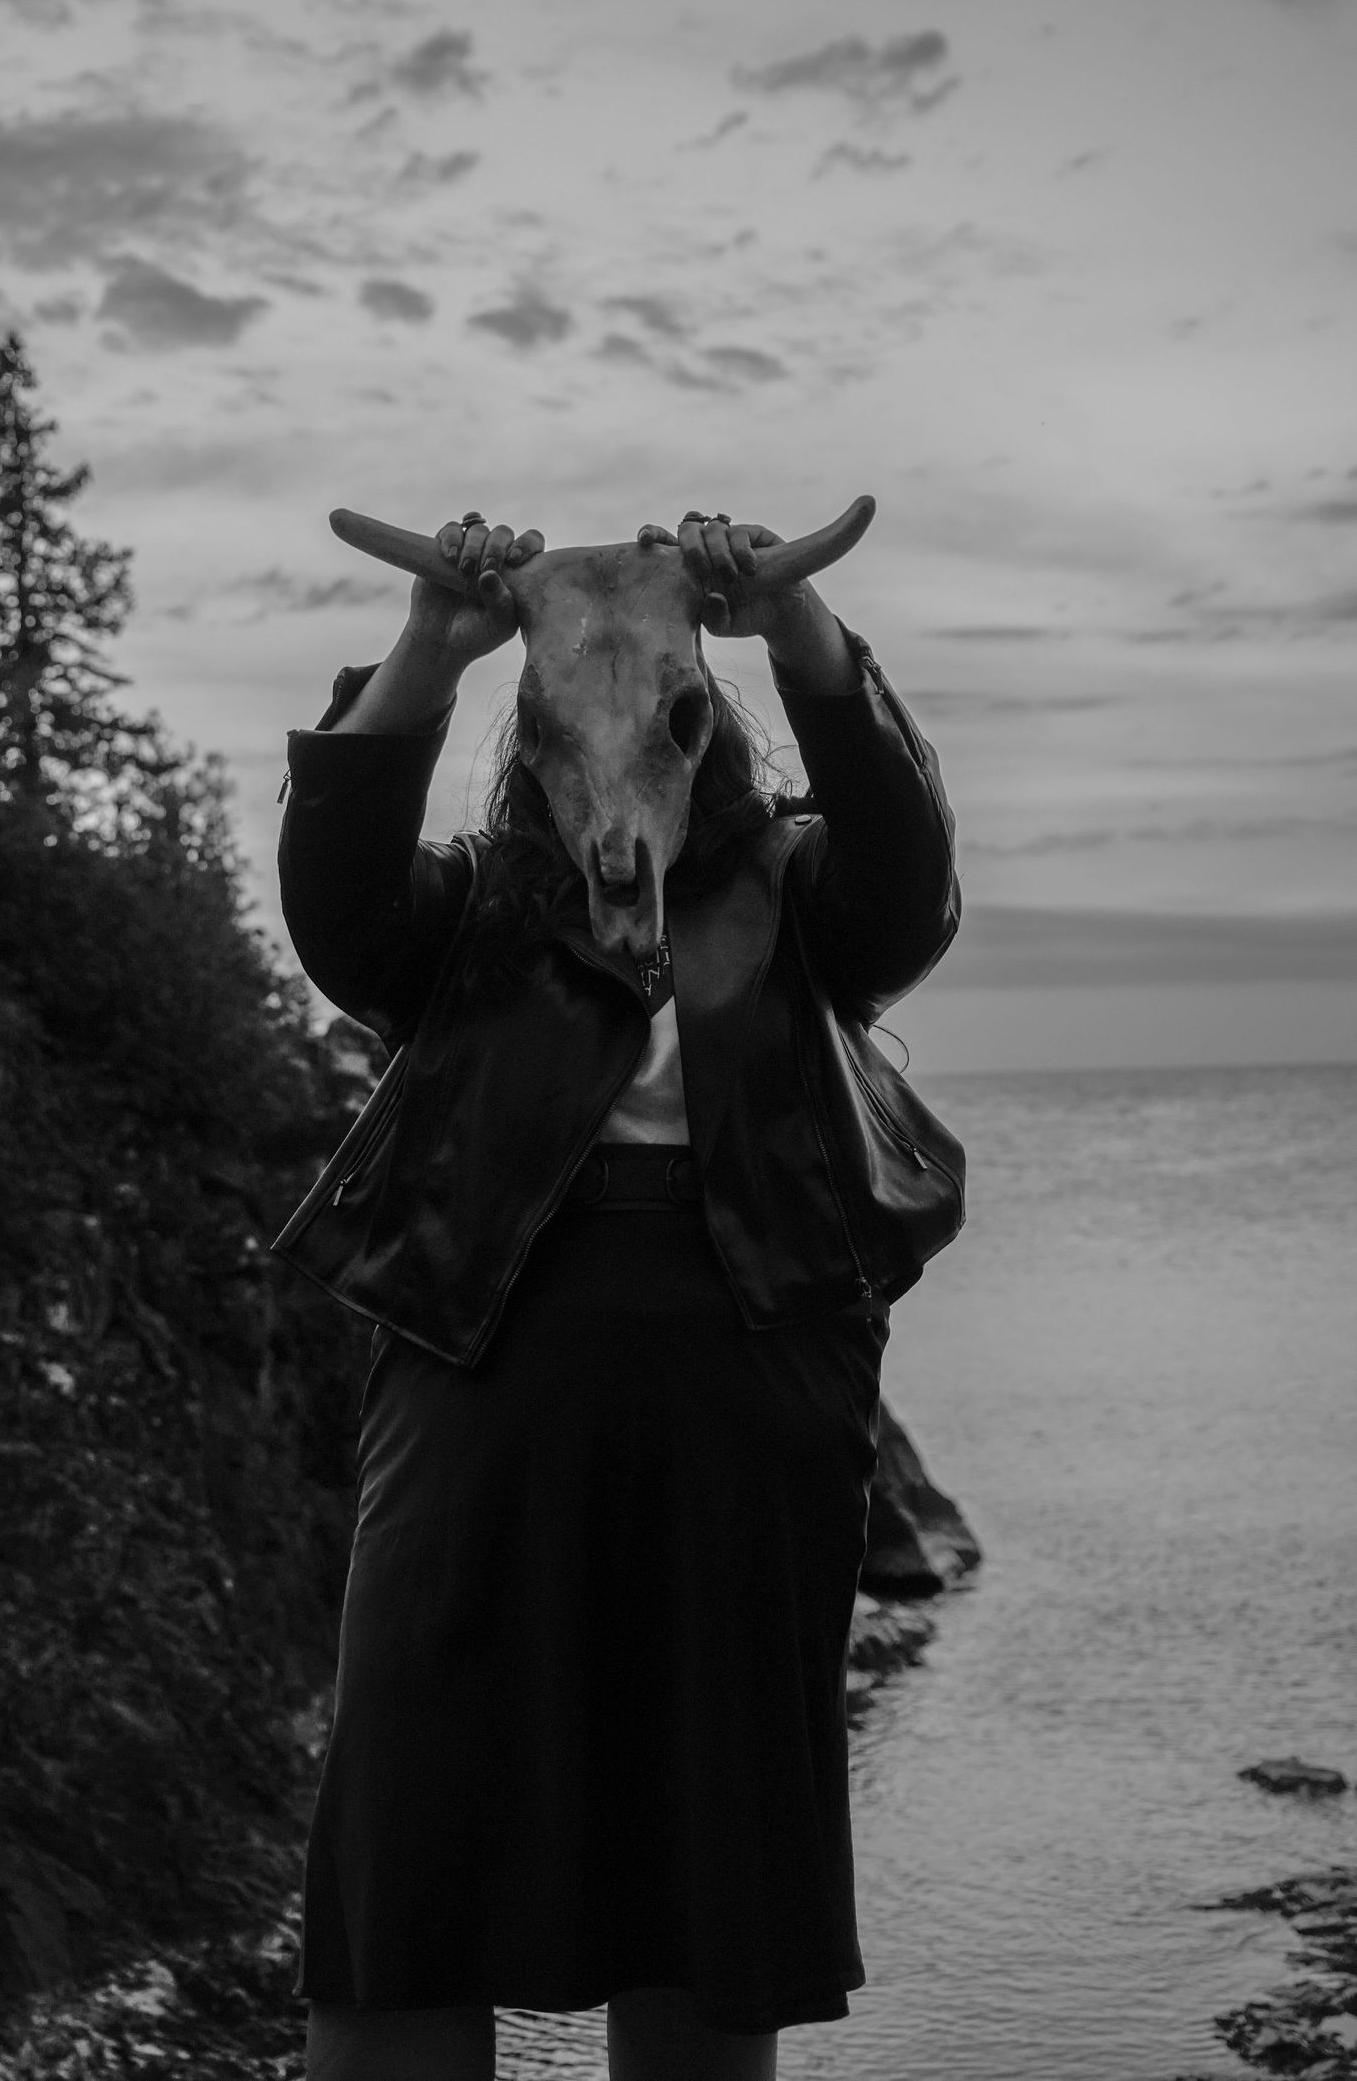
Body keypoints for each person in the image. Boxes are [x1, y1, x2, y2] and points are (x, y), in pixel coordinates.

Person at [279, 507, 961, 2081]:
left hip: (747, 1390)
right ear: (531, 732)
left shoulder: (795, 895)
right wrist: (431, 650)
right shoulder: (462, 915)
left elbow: (912, 895)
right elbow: (336, 911)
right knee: (407, 1866)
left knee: (702, 1894)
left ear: (703, 721)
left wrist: (797, 632)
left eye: (665, 717)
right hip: (476, 1374)